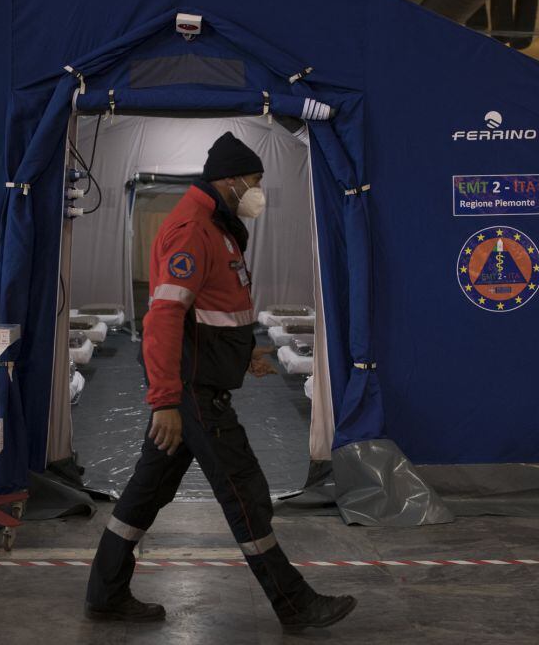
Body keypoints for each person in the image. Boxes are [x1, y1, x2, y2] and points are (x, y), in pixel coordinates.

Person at [84, 132, 357, 632]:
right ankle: (293, 603)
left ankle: (105, 592)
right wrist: (165, 400)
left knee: (144, 496)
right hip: (192, 394)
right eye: (255, 181)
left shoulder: (220, 227)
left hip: (199, 384)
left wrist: (242, 350)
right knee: (244, 490)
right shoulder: (192, 229)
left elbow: (213, 308)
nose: (258, 191)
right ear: (230, 181)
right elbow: (163, 317)